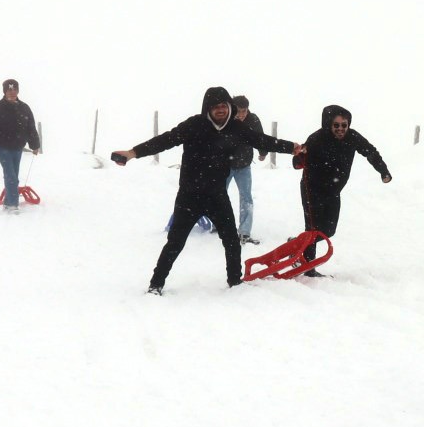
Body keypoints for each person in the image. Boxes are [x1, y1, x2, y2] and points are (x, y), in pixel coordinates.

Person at [112, 87, 300, 295]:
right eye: (215, 106)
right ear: (207, 108)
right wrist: (132, 153)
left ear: (229, 107)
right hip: (189, 196)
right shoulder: (194, 125)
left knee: (231, 241)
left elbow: (261, 140)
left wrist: (290, 147)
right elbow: (165, 140)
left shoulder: (236, 128)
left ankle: (235, 282)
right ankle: (156, 284)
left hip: (217, 195)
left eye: (224, 105)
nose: (220, 110)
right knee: (175, 243)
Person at [293, 104, 392, 274]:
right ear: (328, 124)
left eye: (344, 125)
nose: (340, 129)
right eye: (336, 125)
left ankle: (298, 245)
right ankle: (308, 267)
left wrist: (383, 170)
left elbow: (370, 152)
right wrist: (302, 154)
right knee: (313, 229)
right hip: (312, 188)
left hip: (333, 190)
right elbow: (297, 163)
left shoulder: (353, 137)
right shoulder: (316, 138)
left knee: (329, 230)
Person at [0, 78, 41, 212]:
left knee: (13, 176)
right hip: (2, 146)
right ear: (5, 91)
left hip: (18, 147)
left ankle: (8, 201)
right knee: (11, 176)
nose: (12, 92)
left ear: (18, 91)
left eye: (14, 89)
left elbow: (31, 128)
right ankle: (12, 205)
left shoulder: (24, 108)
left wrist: (35, 145)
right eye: (9, 90)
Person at [228, 94, 262, 244]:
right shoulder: (226, 120)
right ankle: (218, 225)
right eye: (239, 111)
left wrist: (263, 152)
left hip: (244, 165)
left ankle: (244, 232)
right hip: (224, 166)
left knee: (246, 198)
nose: (241, 114)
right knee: (218, 195)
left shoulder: (253, 120)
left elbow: (260, 137)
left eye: (244, 111)